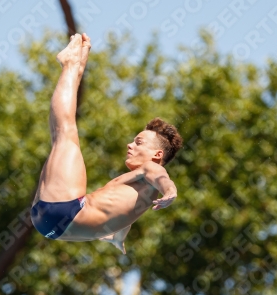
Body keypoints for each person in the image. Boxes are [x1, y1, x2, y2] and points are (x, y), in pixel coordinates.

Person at [31, 33, 183, 254]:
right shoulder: (140, 192)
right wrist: (116, 238)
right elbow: (124, 218)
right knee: (61, 136)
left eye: (139, 142)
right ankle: (77, 65)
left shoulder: (153, 169)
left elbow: (163, 179)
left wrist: (171, 192)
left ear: (157, 155)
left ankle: (71, 64)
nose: (130, 145)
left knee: (64, 132)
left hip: (63, 211)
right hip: (50, 223)